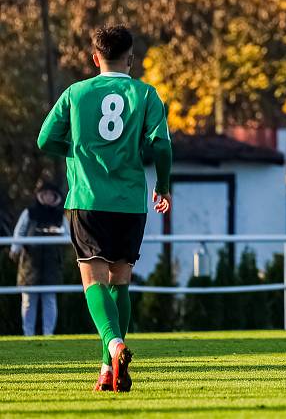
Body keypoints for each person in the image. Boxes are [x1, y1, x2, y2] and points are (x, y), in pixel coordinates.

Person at [37, 25, 173, 392]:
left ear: (95, 58)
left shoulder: (76, 92)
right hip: (129, 202)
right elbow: (161, 146)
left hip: (88, 199)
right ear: (130, 58)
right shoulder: (146, 94)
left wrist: (81, 152)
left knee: (93, 280)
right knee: (120, 281)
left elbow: (45, 138)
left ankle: (113, 345)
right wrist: (163, 185)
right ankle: (106, 369)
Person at [10, 179, 68, 336]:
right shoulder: (30, 212)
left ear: (55, 196)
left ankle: (48, 334)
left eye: (51, 194)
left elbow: (67, 235)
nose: (48, 197)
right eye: (45, 194)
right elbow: (19, 232)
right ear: (40, 195)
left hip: (52, 264)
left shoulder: (60, 215)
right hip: (30, 263)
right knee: (28, 302)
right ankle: (28, 334)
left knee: (49, 300)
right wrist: (15, 248)